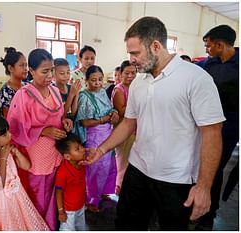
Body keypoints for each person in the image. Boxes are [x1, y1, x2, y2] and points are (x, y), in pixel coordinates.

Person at [83, 16, 225, 230]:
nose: (131, 59)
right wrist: (101, 150)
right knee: (126, 223)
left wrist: (204, 186)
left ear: (156, 46)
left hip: (176, 178)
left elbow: (212, 133)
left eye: (135, 53)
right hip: (138, 169)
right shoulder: (140, 81)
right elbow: (129, 123)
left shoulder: (196, 79)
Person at [7, 48, 73, 230]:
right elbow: (15, 127)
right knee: (39, 193)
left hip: (56, 151)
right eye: (45, 71)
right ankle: (37, 226)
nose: (50, 75)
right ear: (32, 72)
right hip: (37, 153)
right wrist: (43, 130)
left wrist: (65, 121)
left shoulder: (55, 91)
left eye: (52, 70)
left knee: (55, 190)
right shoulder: (24, 95)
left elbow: (59, 116)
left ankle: (51, 225)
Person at [0, 113, 49, 230]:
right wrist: (3, 158)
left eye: (8, 131)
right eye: (4, 134)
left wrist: (15, 152)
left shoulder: (5, 149)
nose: (10, 135)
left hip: (14, 198)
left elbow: (27, 166)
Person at [195, 24, 239, 230]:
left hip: (229, 127)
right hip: (204, 123)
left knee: (214, 168)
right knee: (199, 164)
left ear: (220, 45)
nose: (207, 49)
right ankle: (196, 204)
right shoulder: (208, 65)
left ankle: (207, 216)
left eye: (209, 45)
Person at [74, 65, 119, 209]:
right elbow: (84, 121)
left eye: (100, 79)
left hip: (107, 134)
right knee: (95, 169)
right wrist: (103, 119)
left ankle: (104, 191)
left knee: (109, 166)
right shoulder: (84, 96)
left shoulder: (102, 92)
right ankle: (91, 199)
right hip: (94, 137)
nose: (98, 83)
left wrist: (114, 113)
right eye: (94, 80)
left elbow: (109, 107)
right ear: (86, 80)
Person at [111, 60, 137, 195]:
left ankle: (127, 189)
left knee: (132, 162)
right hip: (123, 131)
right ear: (120, 74)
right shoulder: (119, 89)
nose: (130, 76)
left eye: (133, 73)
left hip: (135, 130)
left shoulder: (136, 87)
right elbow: (122, 111)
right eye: (127, 73)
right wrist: (140, 105)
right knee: (123, 163)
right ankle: (119, 189)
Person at [55, 133, 89, 231]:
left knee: (81, 227)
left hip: (81, 205)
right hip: (68, 211)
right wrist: (61, 211)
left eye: (81, 146)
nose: (83, 149)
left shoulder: (81, 163)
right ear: (67, 156)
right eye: (77, 149)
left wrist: (85, 200)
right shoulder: (63, 172)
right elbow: (58, 192)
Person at [0, 47, 28, 118]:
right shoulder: (6, 91)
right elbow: (8, 119)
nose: (25, 69)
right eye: (21, 65)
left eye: (26, 65)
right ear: (10, 68)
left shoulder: (28, 86)